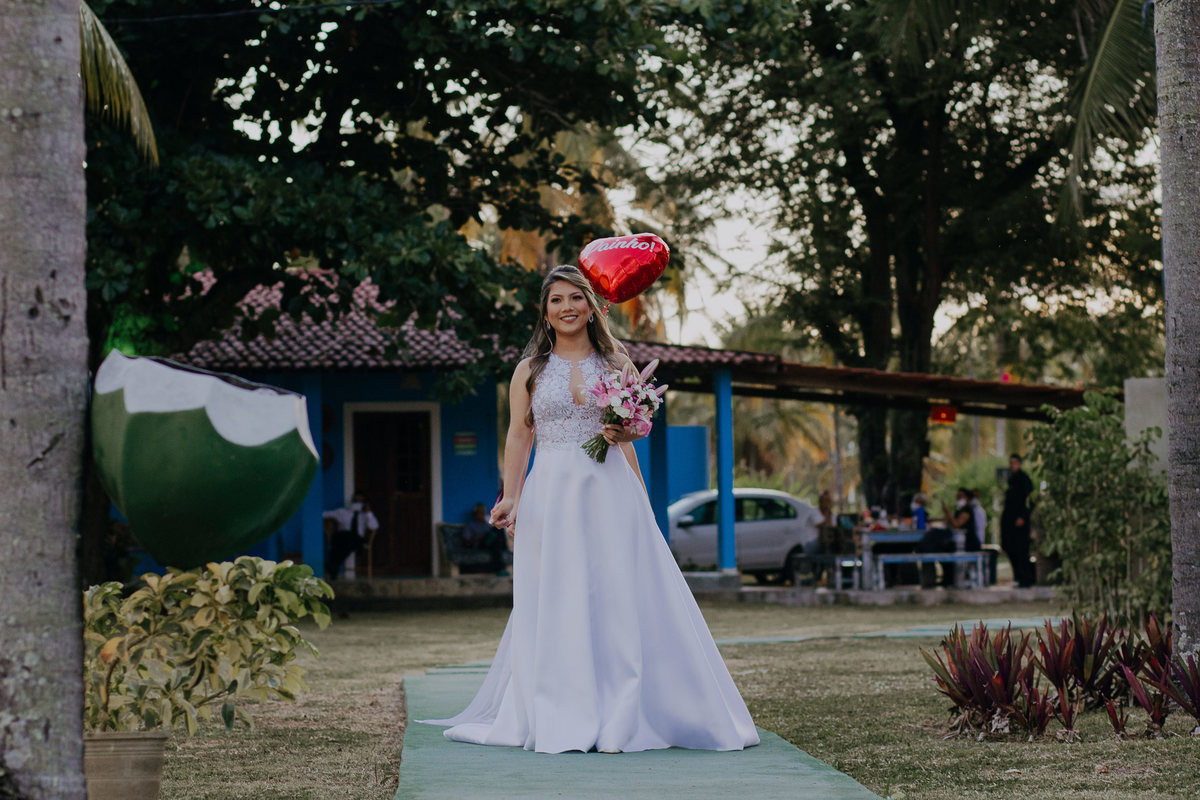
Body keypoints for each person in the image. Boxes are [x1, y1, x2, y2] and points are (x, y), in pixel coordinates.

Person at [421, 265, 758, 753]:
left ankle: (626, 711)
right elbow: (520, 433)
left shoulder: (617, 362)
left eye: (575, 298)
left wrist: (635, 468)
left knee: (618, 592)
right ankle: (560, 708)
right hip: (553, 491)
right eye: (556, 300)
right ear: (545, 311)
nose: (567, 308)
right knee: (558, 594)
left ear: (592, 306)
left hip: (609, 489)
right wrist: (509, 495)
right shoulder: (530, 370)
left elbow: (634, 432)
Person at [323, 493, 379, 580]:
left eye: (360, 501)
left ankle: (332, 567)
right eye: (356, 500)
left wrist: (368, 513)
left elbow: (374, 526)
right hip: (342, 539)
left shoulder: (365, 516)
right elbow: (324, 514)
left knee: (349, 539)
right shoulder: (342, 512)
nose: (357, 503)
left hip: (357, 540)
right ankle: (333, 567)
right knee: (340, 540)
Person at [1001, 454, 1036, 587]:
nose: (1012, 465)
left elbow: (1029, 500)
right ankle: (1019, 577)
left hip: (1020, 523)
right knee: (1011, 549)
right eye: (1011, 463)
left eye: (1015, 463)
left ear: (1019, 464)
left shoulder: (1024, 479)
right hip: (1010, 523)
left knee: (1021, 550)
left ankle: (1026, 578)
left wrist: (1023, 516)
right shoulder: (1012, 480)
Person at [461, 502, 509, 575]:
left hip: (491, 543)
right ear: (475, 514)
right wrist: (481, 538)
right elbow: (466, 541)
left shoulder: (487, 524)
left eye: (483, 513)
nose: (482, 515)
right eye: (480, 513)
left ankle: (502, 552)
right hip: (480, 544)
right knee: (495, 534)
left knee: (498, 530)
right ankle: (500, 567)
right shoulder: (471, 525)